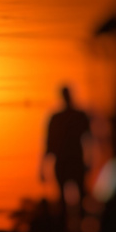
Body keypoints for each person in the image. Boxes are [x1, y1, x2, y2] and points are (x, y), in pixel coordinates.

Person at [41, 86, 92, 218]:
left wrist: (43, 166)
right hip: (69, 162)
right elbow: (49, 143)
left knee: (76, 198)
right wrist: (43, 167)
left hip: (73, 161)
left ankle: (77, 231)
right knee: (69, 199)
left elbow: (89, 140)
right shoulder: (76, 116)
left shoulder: (61, 118)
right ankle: (71, 231)